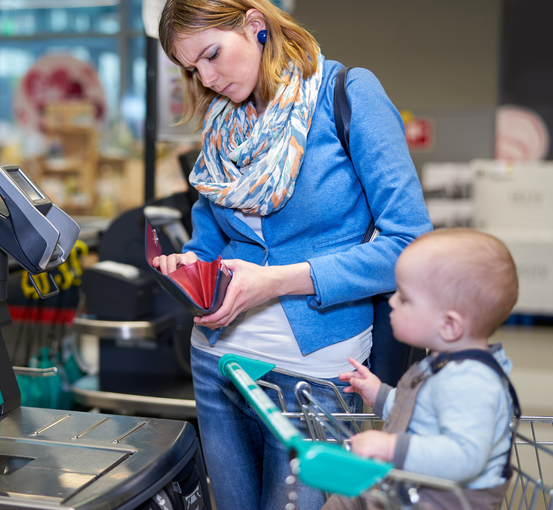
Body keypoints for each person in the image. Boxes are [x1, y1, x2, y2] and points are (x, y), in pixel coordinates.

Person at [154, 1, 432, 509]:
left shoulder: (345, 95)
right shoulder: (223, 125)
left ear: (255, 26)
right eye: (193, 69)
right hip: (218, 360)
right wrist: (189, 269)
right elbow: (209, 239)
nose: (208, 78)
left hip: (315, 373)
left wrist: (278, 280)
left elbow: (410, 244)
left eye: (213, 55)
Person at [324, 228, 520, 510]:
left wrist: (390, 448)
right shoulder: (442, 364)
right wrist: (381, 395)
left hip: (443, 500)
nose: (392, 301)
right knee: (346, 498)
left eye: (404, 298)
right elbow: (423, 414)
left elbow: (464, 457)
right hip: (414, 488)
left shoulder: (471, 380)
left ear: (449, 325)